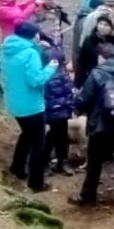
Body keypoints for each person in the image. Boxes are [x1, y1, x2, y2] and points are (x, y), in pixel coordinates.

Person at [70, 36, 114, 206]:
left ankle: (88, 195)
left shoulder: (97, 73)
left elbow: (84, 98)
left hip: (102, 124)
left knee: (95, 161)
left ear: (102, 57)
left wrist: (77, 109)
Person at [0, 21, 60, 192]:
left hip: (13, 102)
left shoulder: (6, 49)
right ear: (33, 36)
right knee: (37, 143)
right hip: (31, 105)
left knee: (26, 134)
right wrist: (51, 68)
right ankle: (36, 182)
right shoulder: (30, 53)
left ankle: (17, 167)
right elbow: (36, 80)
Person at [38, 13, 75, 174]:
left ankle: (61, 160)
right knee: (55, 129)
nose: (57, 30)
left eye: (58, 27)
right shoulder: (41, 48)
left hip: (62, 91)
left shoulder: (54, 45)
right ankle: (45, 160)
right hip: (51, 92)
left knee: (61, 129)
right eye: (54, 27)